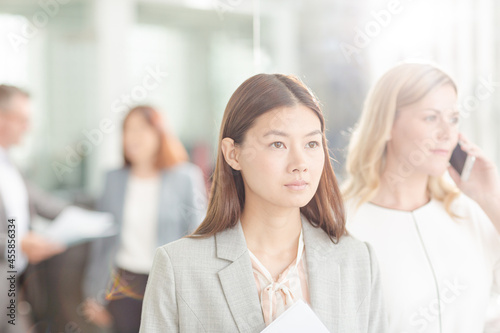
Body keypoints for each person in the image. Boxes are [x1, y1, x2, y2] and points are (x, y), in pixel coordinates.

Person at [139, 74, 387, 332]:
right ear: (233, 154)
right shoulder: (179, 267)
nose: (300, 163)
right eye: (278, 144)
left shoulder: (357, 261)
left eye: (312, 143)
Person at [343, 62, 500, 332]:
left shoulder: (467, 212)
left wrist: (490, 200)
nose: (447, 133)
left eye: (453, 118)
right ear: (387, 124)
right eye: (431, 118)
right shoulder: (344, 224)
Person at [82, 105, 207, 333]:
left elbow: (197, 238)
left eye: (140, 129)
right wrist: (93, 293)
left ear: (159, 134)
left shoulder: (185, 177)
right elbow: (102, 242)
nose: (131, 138)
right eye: (127, 130)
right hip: (122, 285)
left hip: (167, 283)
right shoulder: (113, 179)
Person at [0, 84, 69, 332]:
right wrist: (16, 243)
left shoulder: (10, 164)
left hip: (16, 286)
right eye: (23, 120)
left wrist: (85, 219)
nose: (27, 128)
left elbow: (42, 202)